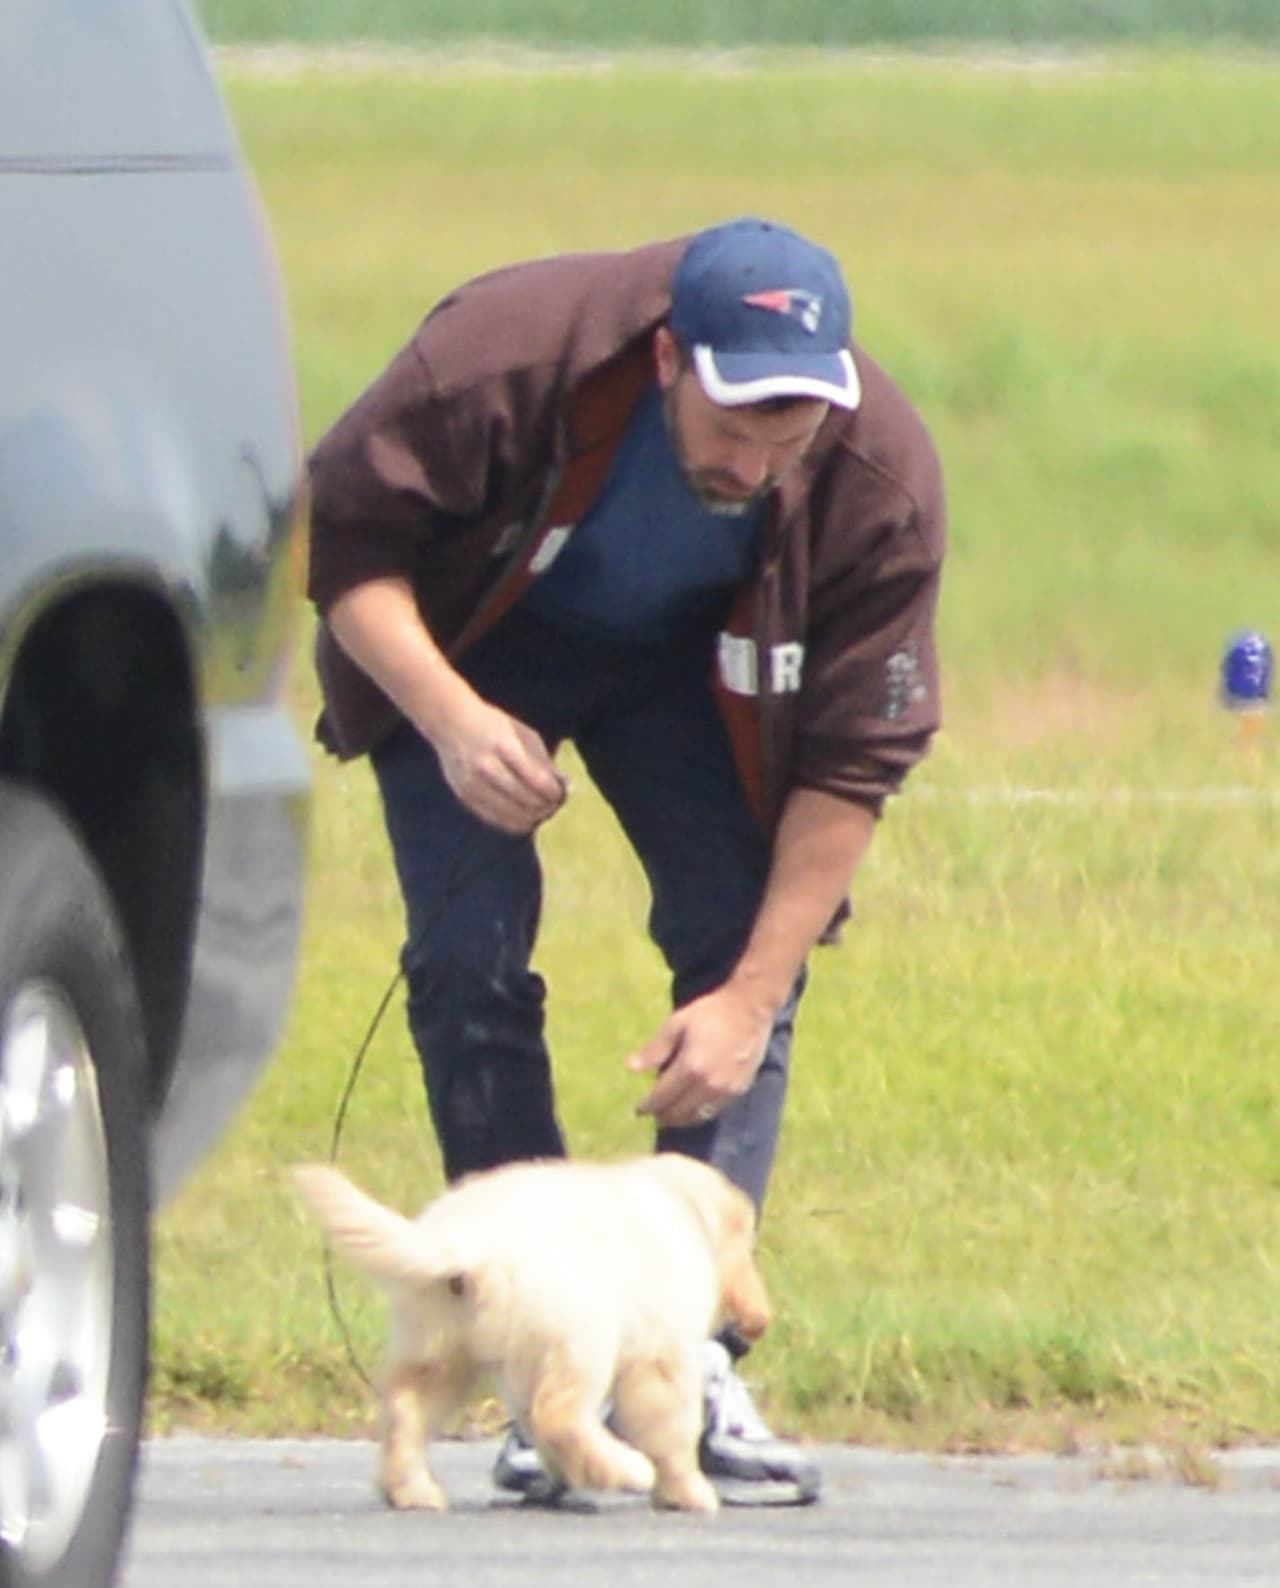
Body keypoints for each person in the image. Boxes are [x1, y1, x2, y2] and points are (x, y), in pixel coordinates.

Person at [306, 216, 946, 1506]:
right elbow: (347, 548)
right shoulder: (495, 363)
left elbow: (853, 762)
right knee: (466, 961)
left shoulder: (878, 475)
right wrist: (451, 720)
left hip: (695, 676)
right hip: (474, 650)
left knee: (741, 944)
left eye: (793, 430)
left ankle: (687, 1363)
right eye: (735, 424)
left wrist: (749, 1002)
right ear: (668, 361)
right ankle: (530, 1349)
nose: (763, 461)